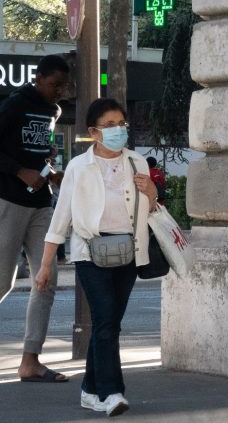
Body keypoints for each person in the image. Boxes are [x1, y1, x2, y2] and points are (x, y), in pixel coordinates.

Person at [36, 98, 158, 416]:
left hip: (129, 252)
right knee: (105, 320)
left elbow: (150, 212)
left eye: (121, 123)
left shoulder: (138, 163)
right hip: (90, 253)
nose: (118, 130)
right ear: (93, 132)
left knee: (109, 323)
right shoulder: (79, 167)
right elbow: (60, 219)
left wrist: (152, 193)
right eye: (109, 125)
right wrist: (46, 265)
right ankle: (111, 392)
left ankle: (90, 390)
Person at [0, 54, 69, 383]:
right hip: (8, 201)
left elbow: (41, 153)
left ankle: (30, 361)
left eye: (63, 86)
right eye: (54, 85)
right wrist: (19, 171)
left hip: (42, 204)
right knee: (3, 281)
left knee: (46, 278)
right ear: (38, 79)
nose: (59, 91)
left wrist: (51, 173)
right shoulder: (15, 105)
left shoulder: (53, 111)